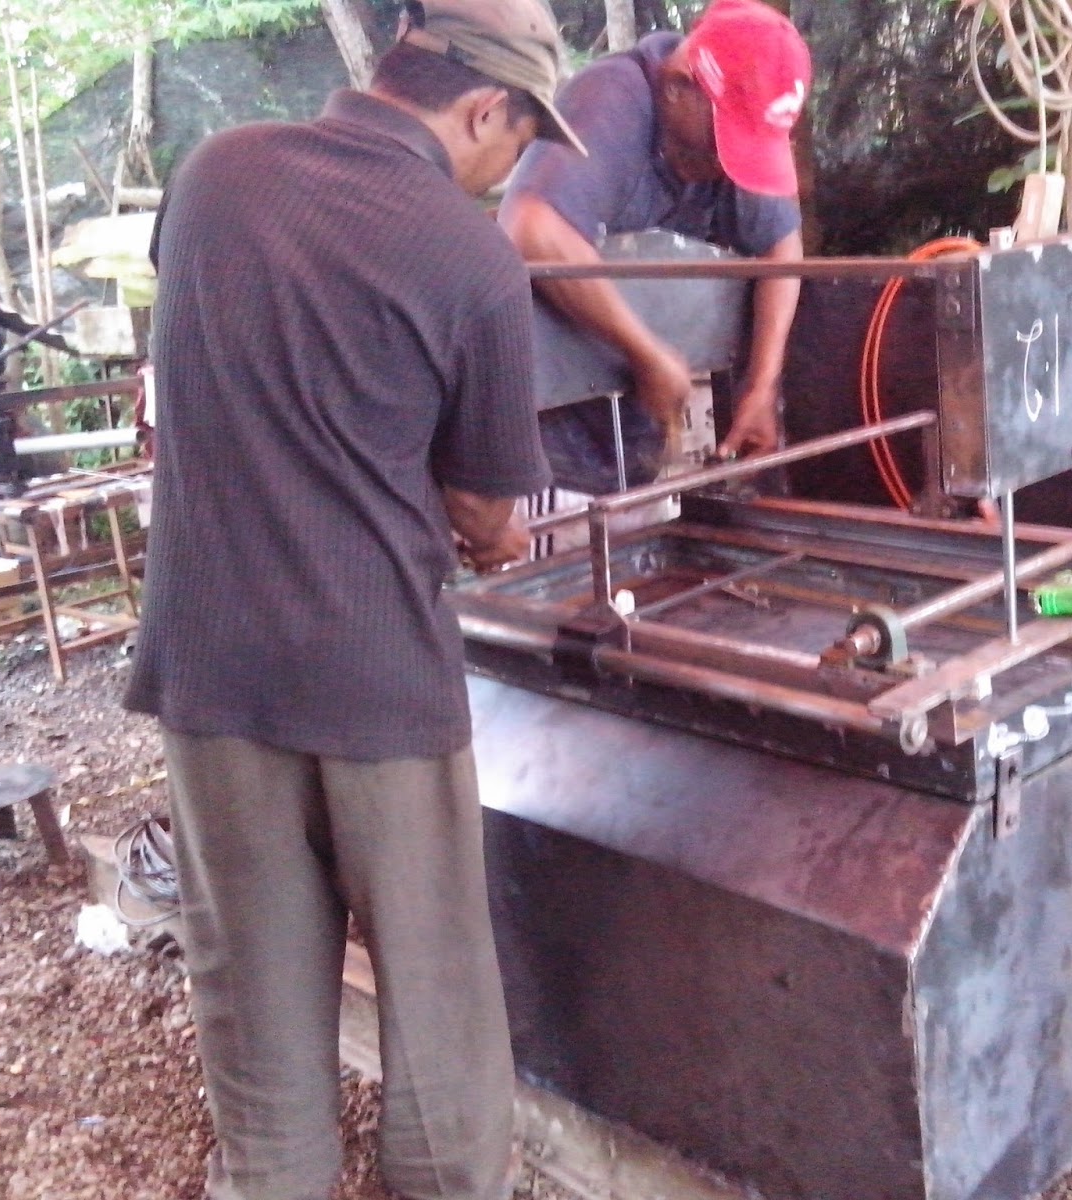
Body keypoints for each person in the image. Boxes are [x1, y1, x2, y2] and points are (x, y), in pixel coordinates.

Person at [122, 1, 580, 1196]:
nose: (505, 168)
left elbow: (211, 368)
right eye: (517, 138)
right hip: (377, 681)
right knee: (435, 1019)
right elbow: (488, 517)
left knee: (259, 1024)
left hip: (211, 669)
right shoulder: (467, 251)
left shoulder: (214, 174)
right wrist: (478, 527)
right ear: (486, 107)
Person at [499, 0, 812, 495]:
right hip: (543, 410)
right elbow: (530, 228)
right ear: (677, 86)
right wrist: (647, 353)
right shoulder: (612, 98)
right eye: (726, 141)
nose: (733, 168)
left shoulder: (726, 124)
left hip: (630, 416)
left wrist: (761, 385)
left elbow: (781, 245)